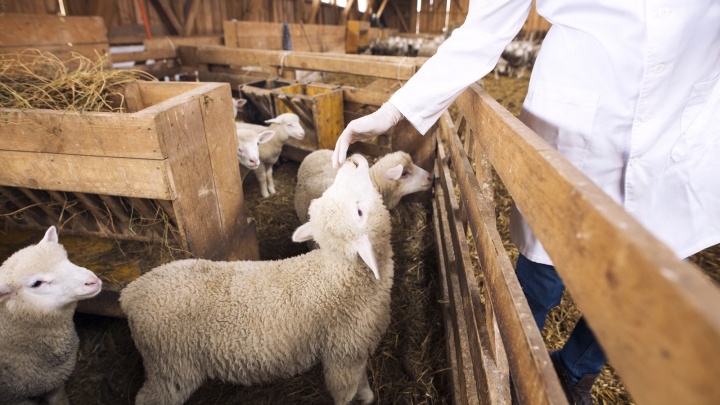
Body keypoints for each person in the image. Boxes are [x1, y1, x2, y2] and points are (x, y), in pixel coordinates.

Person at [332, 1, 720, 404]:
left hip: (683, 129)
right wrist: (395, 111)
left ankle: (574, 373)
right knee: (541, 275)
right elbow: (483, 30)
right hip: (575, 130)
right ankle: (518, 373)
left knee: (643, 289)